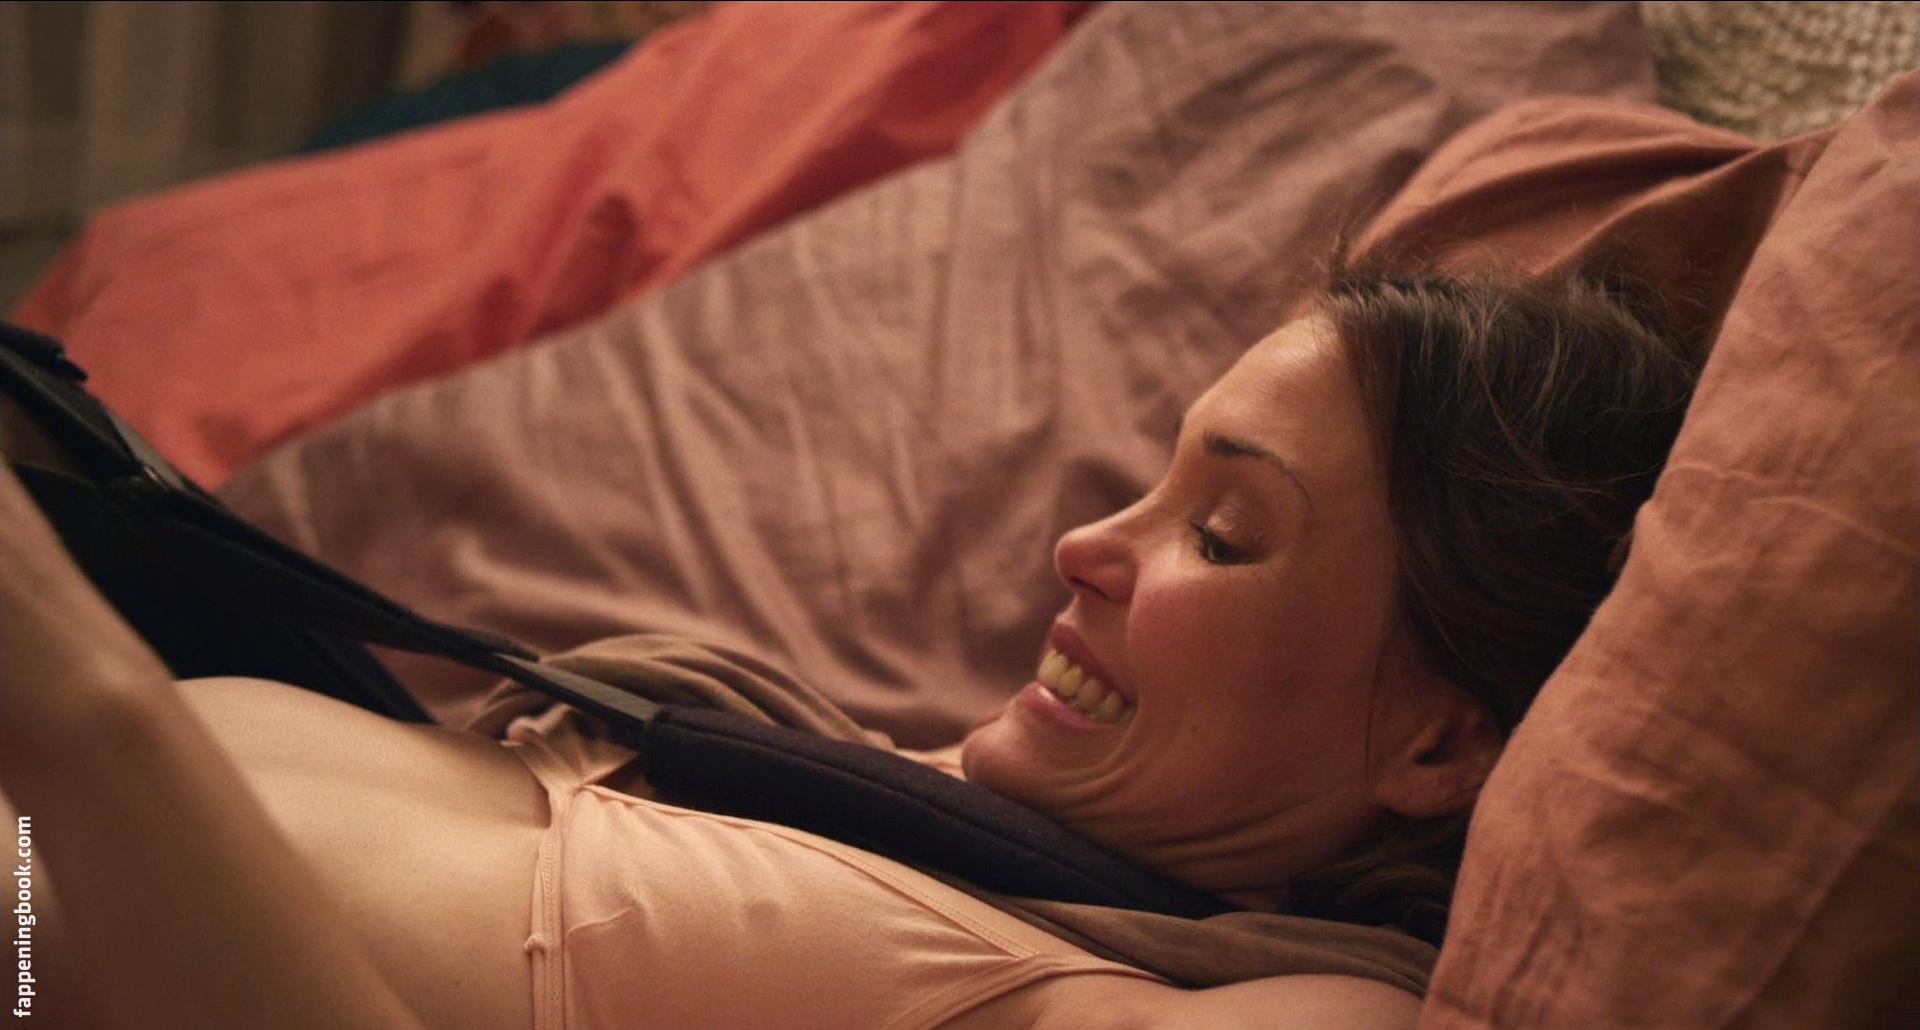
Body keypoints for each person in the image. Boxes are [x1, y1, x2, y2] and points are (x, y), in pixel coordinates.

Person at [0, 257, 1699, 1029]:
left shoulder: (1286, 1015)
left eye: (1223, 533)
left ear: (1438, 740)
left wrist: (82, 709)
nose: (1084, 547)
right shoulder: (906, 809)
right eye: (1157, 480)